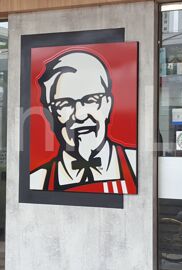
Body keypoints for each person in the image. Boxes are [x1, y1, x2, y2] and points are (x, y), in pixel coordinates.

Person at [29, 50, 136, 193]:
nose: (80, 115)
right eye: (65, 103)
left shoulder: (137, 166)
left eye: (91, 100)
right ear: (50, 115)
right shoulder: (37, 181)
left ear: (107, 104)